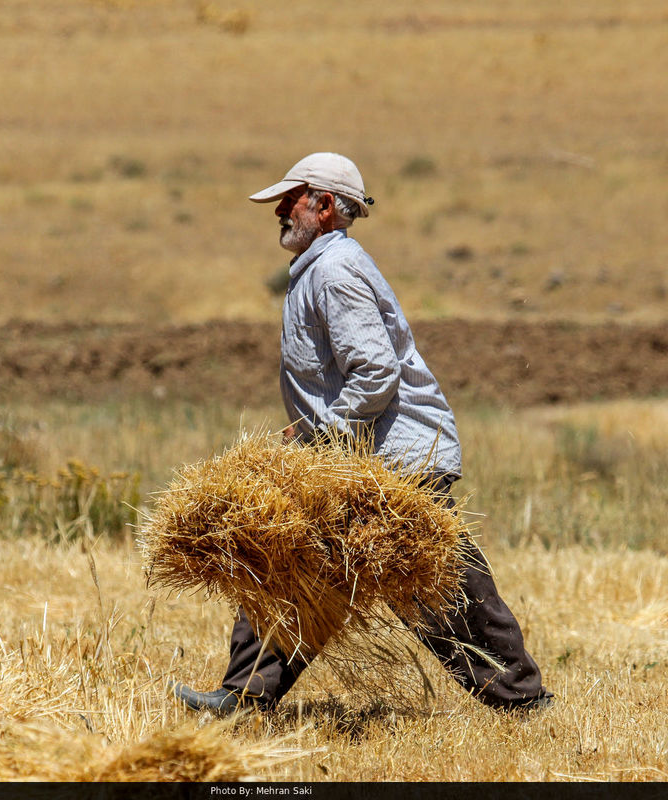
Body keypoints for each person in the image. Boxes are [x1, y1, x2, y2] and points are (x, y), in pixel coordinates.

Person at [169, 153, 553, 715]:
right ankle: (243, 696)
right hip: (360, 457)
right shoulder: (324, 268)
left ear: (324, 207)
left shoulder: (334, 271)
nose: (279, 208)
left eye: (291, 197)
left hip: (396, 461)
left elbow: (375, 370)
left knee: (438, 587)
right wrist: (311, 437)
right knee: (285, 564)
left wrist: (323, 439)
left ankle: (521, 701)